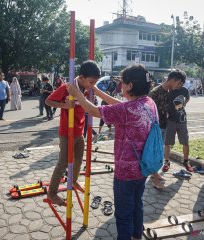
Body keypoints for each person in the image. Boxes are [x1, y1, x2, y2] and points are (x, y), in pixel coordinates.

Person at [67, 64, 156, 240]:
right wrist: (96, 91)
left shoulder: (127, 109)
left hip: (126, 172)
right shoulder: (147, 103)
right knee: (137, 205)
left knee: (123, 214)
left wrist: (77, 94)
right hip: (144, 167)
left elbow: (92, 110)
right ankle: (137, 236)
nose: (120, 86)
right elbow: (120, 106)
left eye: (122, 83)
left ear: (130, 85)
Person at [45, 60, 100, 206]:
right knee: (63, 162)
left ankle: (74, 180)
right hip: (66, 131)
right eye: (91, 81)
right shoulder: (67, 87)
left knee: (79, 159)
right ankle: (52, 193)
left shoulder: (87, 89)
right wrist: (64, 105)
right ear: (81, 77)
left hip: (79, 131)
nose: (92, 85)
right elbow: (48, 101)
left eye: (94, 82)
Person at [149, 69, 187, 188]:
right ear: (173, 80)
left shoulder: (170, 91)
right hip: (155, 127)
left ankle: (154, 174)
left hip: (164, 124)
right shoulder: (156, 92)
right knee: (155, 152)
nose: (179, 86)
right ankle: (155, 179)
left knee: (159, 151)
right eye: (178, 83)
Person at [162, 70, 193, 173]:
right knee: (167, 143)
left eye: (181, 84)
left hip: (182, 120)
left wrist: (183, 105)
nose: (179, 85)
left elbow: (188, 98)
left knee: (185, 142)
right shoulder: (168, 90)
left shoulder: (184, 90)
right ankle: (166, 162)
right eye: (178, 83)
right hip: (170, 120)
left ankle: (186, 161)